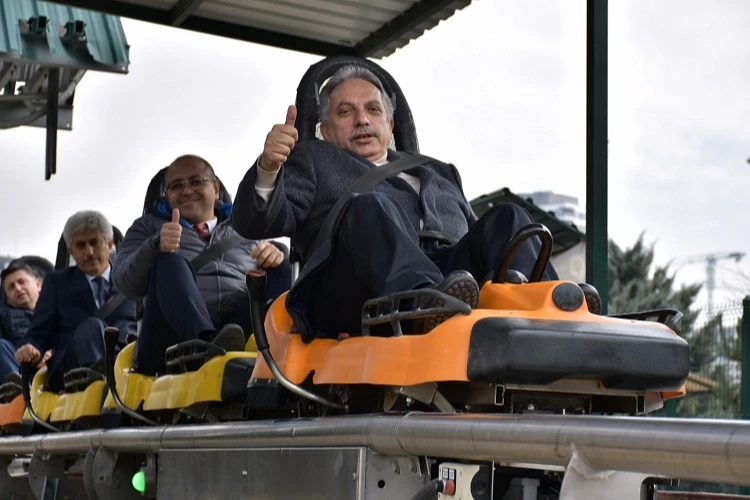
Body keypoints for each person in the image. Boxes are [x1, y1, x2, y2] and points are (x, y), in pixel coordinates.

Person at [231, 64, 562, 342]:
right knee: (368, 206)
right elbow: (254, 221)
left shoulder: (440, 171)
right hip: (353, 287)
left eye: (372, 109)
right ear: (326, 131)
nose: (362, 119)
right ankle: (427, 307)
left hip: (451, 281)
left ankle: (555, 306)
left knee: (510, 219)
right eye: (346, 111)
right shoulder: (314, 159)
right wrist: (269, 167)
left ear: (389, 125)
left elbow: (482, 242)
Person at [113, 155, 288, 376]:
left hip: (242, 328)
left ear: (216, 188)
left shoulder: (247, 226)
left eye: (196, 182)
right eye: (176, 185)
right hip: (172, 340)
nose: (187, 191)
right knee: (169, 262)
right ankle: (206, 344)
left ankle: (286, 348)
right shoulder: (147, 227)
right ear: (166, 195)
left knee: (283, 266)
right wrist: (154, 245)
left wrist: (277, 253)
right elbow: (123, 282)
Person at [15, 211, 137, 392]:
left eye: (94, 242)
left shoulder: (133, 277)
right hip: (71, 370)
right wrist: (30, 348)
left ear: (110, 244)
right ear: (70, 252)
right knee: (92, 326)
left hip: (128, 363)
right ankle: (101, 383)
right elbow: (38, 333)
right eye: (81, 245)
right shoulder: (57, 283)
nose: (89, 252)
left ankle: (108, 378)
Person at [0, 261, 46, 383]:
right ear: (8, 298)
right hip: (19, 369)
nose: (18, 288)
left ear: (38, 284)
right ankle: (18, 387)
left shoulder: (57, 309)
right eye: (11, 287)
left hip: (56, 366)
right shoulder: (3, 316)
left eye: (22, 282)